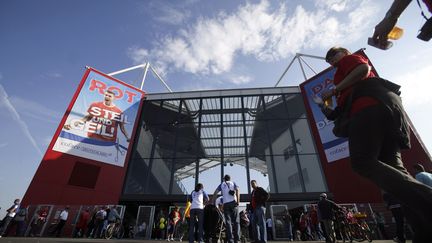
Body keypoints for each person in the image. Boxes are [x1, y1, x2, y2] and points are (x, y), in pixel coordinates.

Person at [321, 46, 432, 243]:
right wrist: (327, 105)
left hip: (369, 107)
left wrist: (336, 89)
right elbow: (337, 112)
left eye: (333, 55)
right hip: (385, 108)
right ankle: (423, 229)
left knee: (362, 161)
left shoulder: (347, 63)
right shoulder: (344, 82)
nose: (331, 60)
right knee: (395, 171)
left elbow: (362, 69)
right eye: (328, 59)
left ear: (344, 52)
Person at [63, 89, 130, 142]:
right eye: (106, 95)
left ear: (113, 98)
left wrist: (128, 137)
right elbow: (86, 118)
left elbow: (122, 127)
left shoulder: (118, 112)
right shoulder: (96, 105)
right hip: (92, 138)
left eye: (110, 96)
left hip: (108, 141)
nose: (107, 97)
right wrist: (71, 125)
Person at [212, 174, 240, 243]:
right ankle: (237, 240)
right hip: (233, 203)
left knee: (228, 222)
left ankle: (230, 240)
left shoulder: (222, 184)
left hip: (226, 204)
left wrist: (213, 202)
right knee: (236, 222)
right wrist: (238, 201)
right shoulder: (233, 183)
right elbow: (238, 191)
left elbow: (215, 192)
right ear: (230, 178)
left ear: (224, 179)